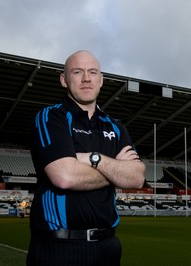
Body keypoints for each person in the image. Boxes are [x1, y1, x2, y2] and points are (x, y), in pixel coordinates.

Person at [26, 50, 146, 265]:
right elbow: (64, 176)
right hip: (59, 249)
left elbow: (137, 178)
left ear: (101, 80)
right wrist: (117, 171)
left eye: (92, 72)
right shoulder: (52, 117)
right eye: (77, 72)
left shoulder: (115, 126)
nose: (86, 78)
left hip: (108, 247)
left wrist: (94, 158)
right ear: (64, 80)